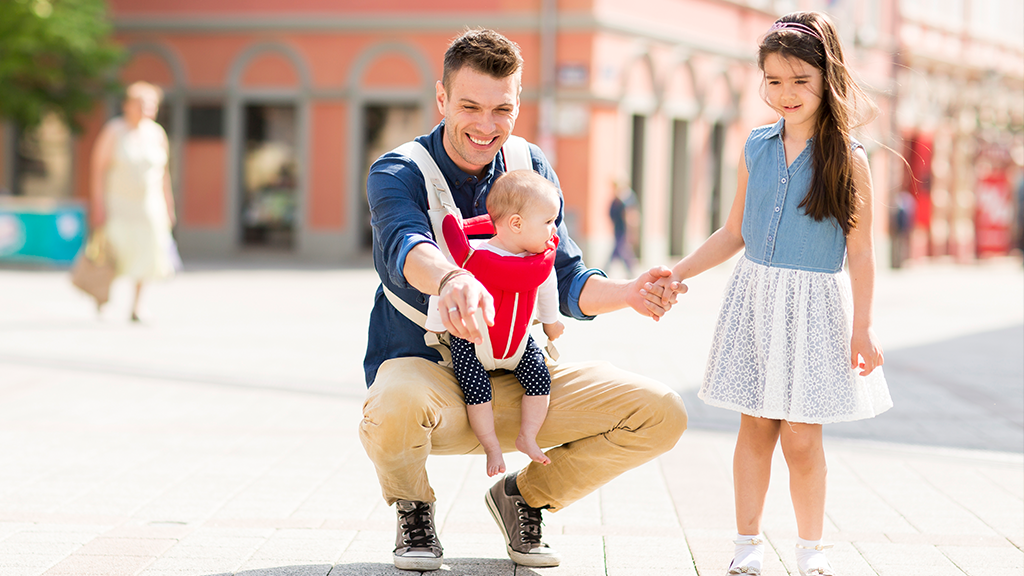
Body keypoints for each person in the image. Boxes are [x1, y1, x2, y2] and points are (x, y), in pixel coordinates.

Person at [361, 28, 688, 572]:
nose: (486, 126)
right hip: (434, 384)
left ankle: (524, 497)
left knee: (661, 413)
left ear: (518, 105)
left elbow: (568, 273)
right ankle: (415, 509)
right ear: (441, 99)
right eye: (470, 106)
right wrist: (450, 279)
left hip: (519, 379)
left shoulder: (530, 164)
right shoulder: (398, 172)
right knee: (393, 402)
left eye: (502, 110)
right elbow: (404, 247)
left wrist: (629, 293)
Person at [647, 12, 892, 576]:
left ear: (826, 79)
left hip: (814, 309)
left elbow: (861, 252)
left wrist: (863, 325)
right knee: (754, 427)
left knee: (803, 438)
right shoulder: (756, 147)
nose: (786, 93)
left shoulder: (849, 159)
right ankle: (746, 544)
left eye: (800, 81)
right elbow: (735, 231)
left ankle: (811, 549)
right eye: (774, 80)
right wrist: (678, 272)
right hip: (756, 300)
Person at [425, 169, 564, 478]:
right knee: (477, 391)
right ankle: (491, 446)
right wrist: (435, 326)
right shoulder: (475, 259)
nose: (554, 231)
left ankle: (527, 436)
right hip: (473, 343)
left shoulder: (539, 264)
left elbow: (547, 295)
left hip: (518, 344)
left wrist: (552, 326)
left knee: (540, 380)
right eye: (548, 222)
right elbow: (445, 294)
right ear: (516, 224)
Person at [89, 81, 177, 321]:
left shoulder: (157, 133)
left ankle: (137, 305)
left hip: (149, 206)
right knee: (114, 254)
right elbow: (98, 170)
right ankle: (103, 297)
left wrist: (169, 205)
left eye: (151, 104)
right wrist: (98, 205)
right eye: (141, 103)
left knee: (147, 254)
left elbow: (164, 173)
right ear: (127, 105)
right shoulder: (114, 131)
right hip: (118, 205)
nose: (147, 108)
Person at [606, 179, 639, 276]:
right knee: (620, 250)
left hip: (624, 229)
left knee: (620, 249)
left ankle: (606, 269)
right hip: (618, 228)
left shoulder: (626, 197)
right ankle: (631, 270)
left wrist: (632, 230)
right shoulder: (616, 198)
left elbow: (631, 215)